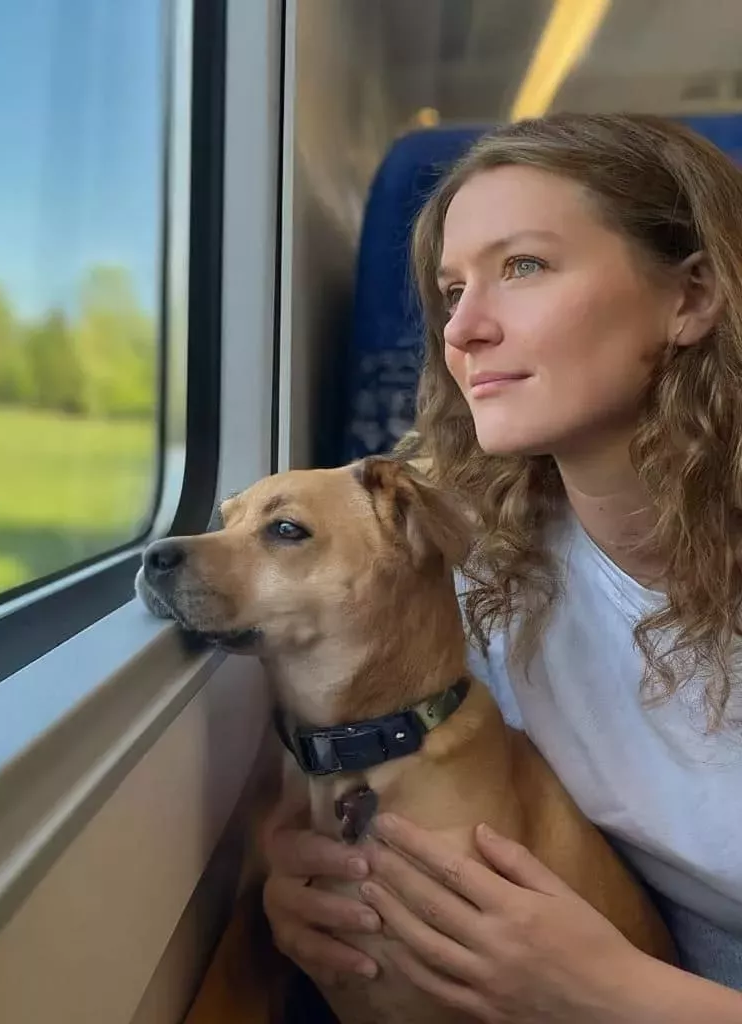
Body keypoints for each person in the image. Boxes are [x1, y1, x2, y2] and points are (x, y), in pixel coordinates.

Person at [261, 112, 742, 1023]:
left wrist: (615, 992)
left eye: (523, 266)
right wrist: (322, 889)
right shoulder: (472, 565)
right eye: (452, 290)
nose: (465, 329)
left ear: (692, 296)